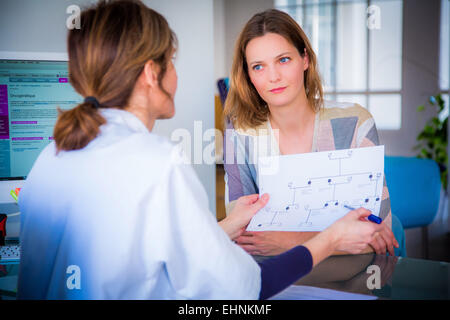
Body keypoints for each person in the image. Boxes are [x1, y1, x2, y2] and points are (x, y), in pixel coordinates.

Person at [17, 0, 383, 300]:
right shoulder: (157, 164)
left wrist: (227, 226)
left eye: (283, 60)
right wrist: (332, 237)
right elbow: (245, 290)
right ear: (150, 73)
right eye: (171, 62)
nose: (176, 76)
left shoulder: (51, 158)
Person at [223, 9, 401, 257]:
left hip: (350, 279)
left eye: (283, 60)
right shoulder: (239, 132)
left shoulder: (355, 122)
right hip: (275, 282)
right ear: (248, 75)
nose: (273, 77)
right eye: (258, 66)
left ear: (305, 59)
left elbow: (378, 233)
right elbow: (242, 235)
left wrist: (290, 241)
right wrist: (339, 237)